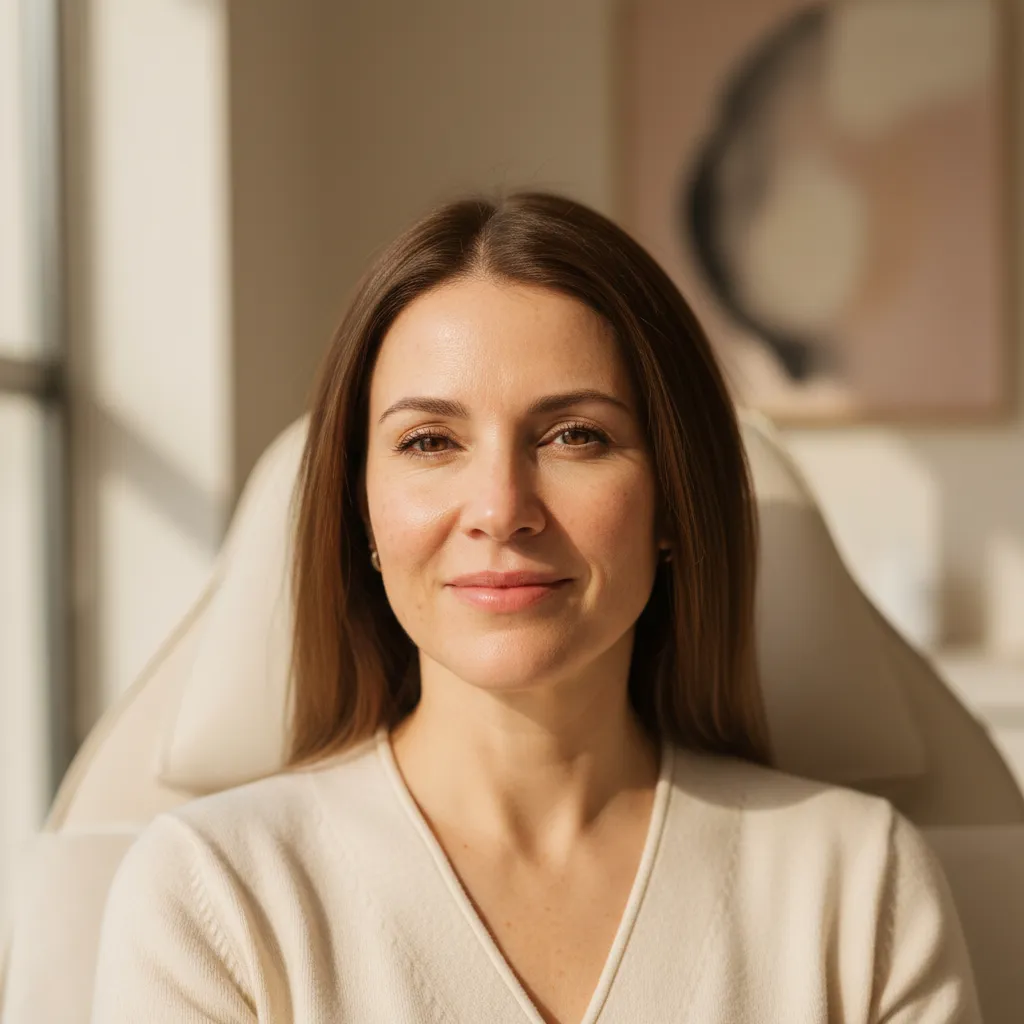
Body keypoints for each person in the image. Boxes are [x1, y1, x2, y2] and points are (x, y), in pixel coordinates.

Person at [90, 192, 981, 1023]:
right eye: (430, 441)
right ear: (361, 509)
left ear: (673, 501)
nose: (500, 506)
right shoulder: (214, 897)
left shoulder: (858, 886)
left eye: (574, 436)